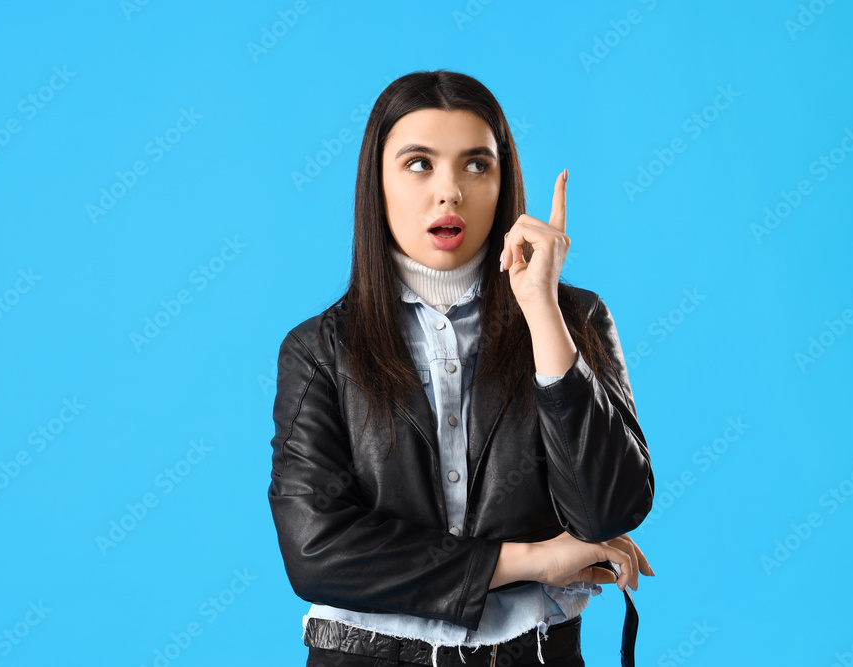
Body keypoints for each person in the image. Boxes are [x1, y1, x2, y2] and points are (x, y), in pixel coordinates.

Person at [269, 69, 655, 667]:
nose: (448, 191)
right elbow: (316, 551)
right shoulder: (320, 350)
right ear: (378, 183)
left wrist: (542, 314)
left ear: (504, 183)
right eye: (419, 163)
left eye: (476, 165)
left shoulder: (573, 317)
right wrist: (527, 561)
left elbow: (607, 511)